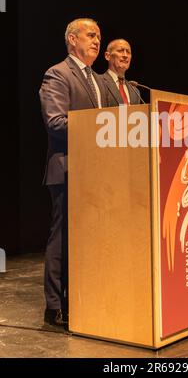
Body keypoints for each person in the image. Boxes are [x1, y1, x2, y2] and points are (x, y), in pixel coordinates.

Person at [39, 18, 107, 327]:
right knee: (62, 239)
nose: (96, 40)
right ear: (72, 39)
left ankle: (81, 298)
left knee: (89, 240)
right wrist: (101, 127)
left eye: (98, 36)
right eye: (90, 35)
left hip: (96, 172)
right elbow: (55, 122)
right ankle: (54, 306)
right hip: (68, 169)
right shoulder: (58, 73)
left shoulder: (97, 79)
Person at [102, 38, 141, 106]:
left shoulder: (135, 91)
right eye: (120, 51)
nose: (125, 55)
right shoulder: (99, 82)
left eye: (128, 52)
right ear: (107, 56)